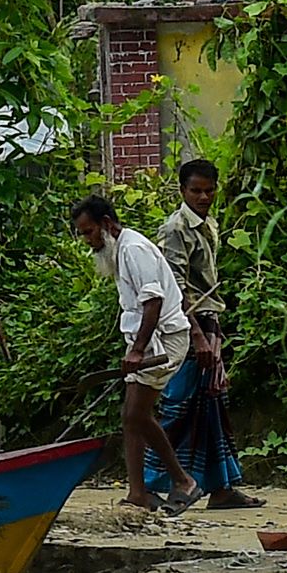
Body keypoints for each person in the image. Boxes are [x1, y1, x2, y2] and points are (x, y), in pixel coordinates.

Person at [74, 191, 203, 516]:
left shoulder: (134, 249)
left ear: (105, 224)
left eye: (89, 232)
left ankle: (183, 481)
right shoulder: (121, 252)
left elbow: (153, 301)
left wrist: (139, 349)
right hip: (147, 343)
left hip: (165, 342)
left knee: (135, 415)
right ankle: (138, 493)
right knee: (132, 417)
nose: (88, 240)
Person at [152, 158, 253, 509]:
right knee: (178, 407)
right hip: (186, 326)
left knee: (211, 407)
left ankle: (221, 487)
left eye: (209, 191)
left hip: (209, 320)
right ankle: (155, 483)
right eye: (196, 191)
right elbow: (174, 286)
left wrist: (214, 331)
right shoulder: (175, 229)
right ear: (182, 191)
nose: (203, 197)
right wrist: (196, 335)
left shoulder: (208, 224)